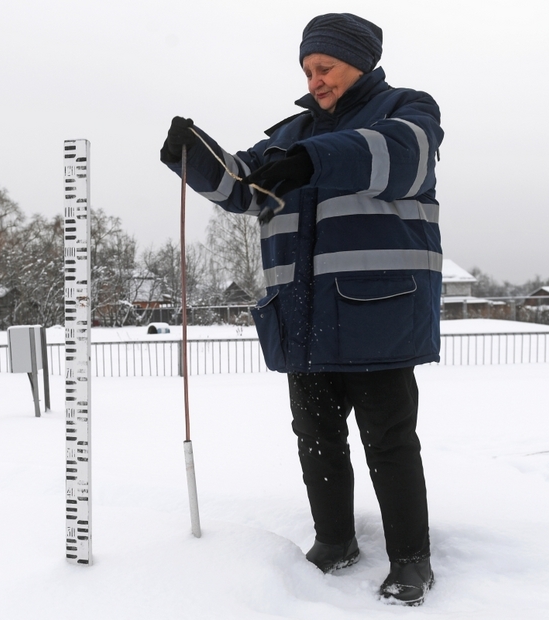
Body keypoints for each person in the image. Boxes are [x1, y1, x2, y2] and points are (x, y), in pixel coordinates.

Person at [160, 13, 443, 606]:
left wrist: (311, 159)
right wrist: (199, 157)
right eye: (308, 70)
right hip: (305, 316)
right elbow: (243, 186)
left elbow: (402, 156)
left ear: (359, 63)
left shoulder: (407, 112)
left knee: (389, 440)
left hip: (377, 315)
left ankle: (411, 558)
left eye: (326, 68)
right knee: (316, 436)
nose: (315, 80)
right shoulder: (286, 135)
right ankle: (334, 541)